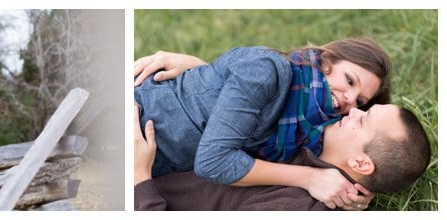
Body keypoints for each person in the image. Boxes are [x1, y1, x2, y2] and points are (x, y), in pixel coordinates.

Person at [132, 39, 392, 209]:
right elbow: (213, 160)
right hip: (137, 115)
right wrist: (312, 178)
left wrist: (357, 189)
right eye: (349, 80)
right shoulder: (268, 69)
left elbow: (359, 152)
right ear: (325, 62)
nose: (349, 101)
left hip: (151, 157)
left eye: (360, 100)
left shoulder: (304, 132)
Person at [133, 103, 431, 210]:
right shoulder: (309, 135)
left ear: (361, 164)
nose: (353, 111)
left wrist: (140, 180)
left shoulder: (297, 207)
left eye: (363, 120)